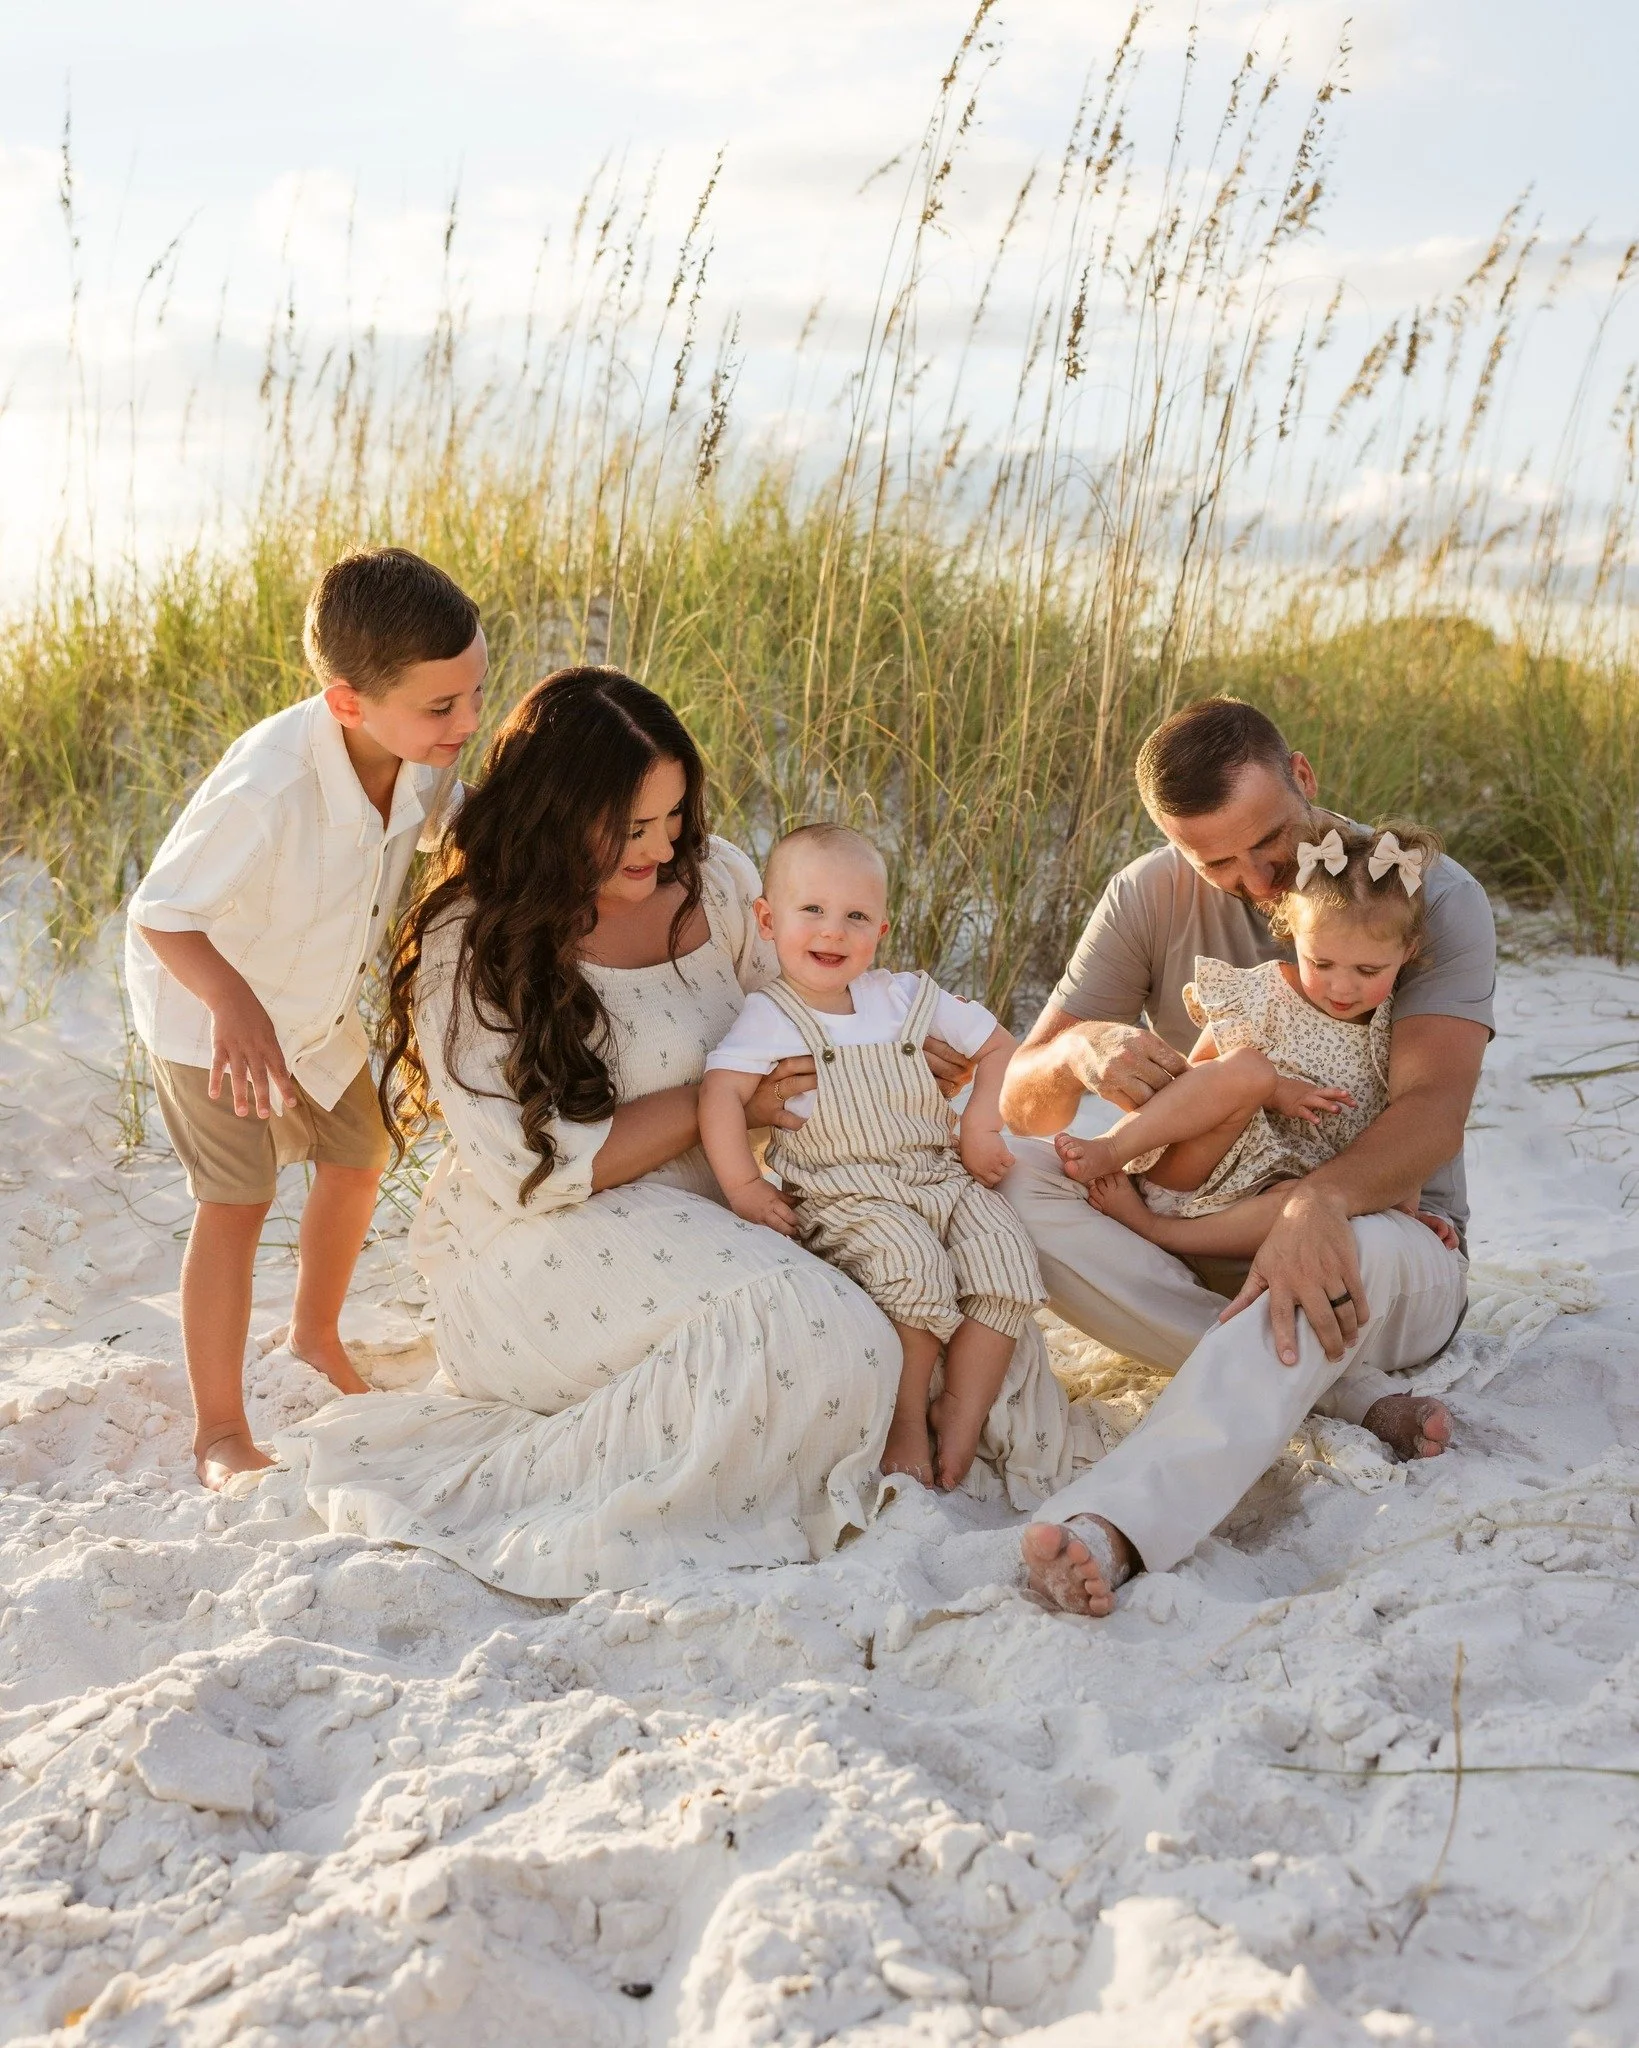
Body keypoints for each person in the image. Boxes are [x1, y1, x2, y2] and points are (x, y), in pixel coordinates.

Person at [277, 671, 1084, 1599]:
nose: (661, 850)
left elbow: (803, 1013)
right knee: (823, 1336)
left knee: (957, 1312)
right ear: (553, 811)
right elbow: (532, 1176)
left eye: (672, 818)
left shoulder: (723, 882)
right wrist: (721, 1103)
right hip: (549, 1240)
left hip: (729, 1214)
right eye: (631, 828)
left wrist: (887, 1058)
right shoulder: (477, 944)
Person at [998, 699, 1493, 1617]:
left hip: (1391, 1242)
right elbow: (1021, 1100)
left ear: (1303, 778)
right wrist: (1077, 1054)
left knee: (1323, 1254)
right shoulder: (1147, 893)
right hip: (1192, 1237)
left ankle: (1117, 1526)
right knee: (1008, 1175)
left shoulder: (1426, 896)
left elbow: (1433, 1112)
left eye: (1266, 843)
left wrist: (1316, 1204)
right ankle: (1343, 1394)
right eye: (1212, 861)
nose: (1252, 877)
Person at [126, 548, 484, 1489]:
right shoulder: (270, 789)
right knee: (237, 1204)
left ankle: (315, 1334)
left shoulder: (419, 756)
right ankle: (216, 1432)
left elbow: (461, 826)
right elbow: (161, 912)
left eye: (475, 692)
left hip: (314, 1006)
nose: (467, 722)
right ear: (346, 703)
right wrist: (233, 1009)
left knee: (359, 1155)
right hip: (212, 1015)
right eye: (442, 707)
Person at [700, 824, 1045, 1491]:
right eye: (812, 911)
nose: (833, 932)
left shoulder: (906, 998)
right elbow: (720, 1094)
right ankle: (906, 1417)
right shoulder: (771, 1015)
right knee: (911, 1265)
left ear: (880, 930)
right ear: (767, 921)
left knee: (1006, 1256)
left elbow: (1000, 1046)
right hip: (844, 1193)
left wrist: (979, 1122)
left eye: (855, 916)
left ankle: (963, 1409)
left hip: (937, 1175)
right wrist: (743, 1184)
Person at [1058, 817, 1459, 1264]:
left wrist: (1407, 1211)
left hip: (1260, 1211)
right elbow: (1195, 1081)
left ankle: (1158, 1233)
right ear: (1293, 932)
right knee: (1249, 1069)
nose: (1341, 988)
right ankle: (1112, 1148)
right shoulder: (1263, 995)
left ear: (1406, 953)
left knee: (1305, 1202)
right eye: (1321, 963)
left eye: (1368, 971)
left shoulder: (1394, 1035)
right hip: (1194, 1172)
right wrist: (1274, 1091)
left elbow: (1403, 1134)